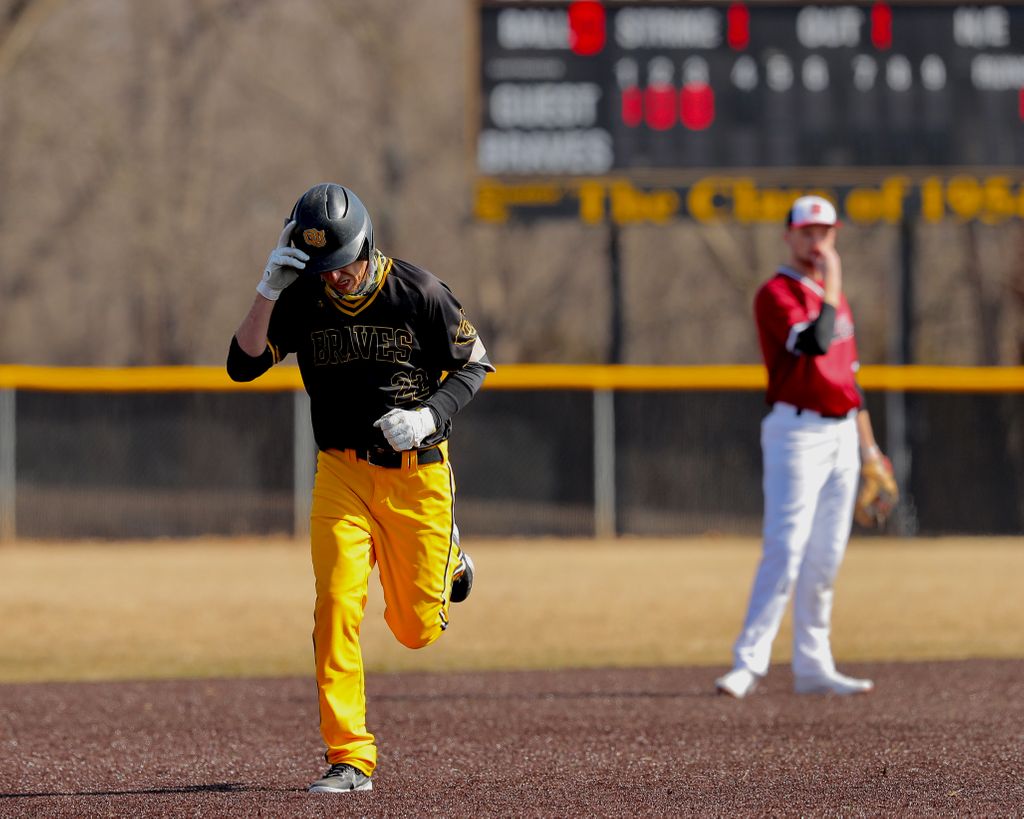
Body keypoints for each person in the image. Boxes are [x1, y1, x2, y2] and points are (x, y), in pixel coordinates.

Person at [227, 183, 493, 792]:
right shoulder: (302, 298)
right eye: (319, 267)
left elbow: (475, 362)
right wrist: (268, 291)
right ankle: (350, 755)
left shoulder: (419, 292)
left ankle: (449, 554)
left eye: (341, 262)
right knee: (336, 606)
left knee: (415, 630)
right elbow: (242, 364)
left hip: (416, 475)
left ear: (366, 244)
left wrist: (430, 415)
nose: (334, 276)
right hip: (341, 475)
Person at [715, 195, 895, 699]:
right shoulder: (776, 293)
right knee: (786, 547)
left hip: (841, 434)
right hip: (797, 432)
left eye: (825, 232)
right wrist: (833, 285)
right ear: (789, 235)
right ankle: (748, 663)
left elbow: (849, 383)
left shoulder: (834, 298)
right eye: (808, 232)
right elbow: (815, 344)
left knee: (826, 555)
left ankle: (814, 665)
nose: (817, 242)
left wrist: (870, 452)